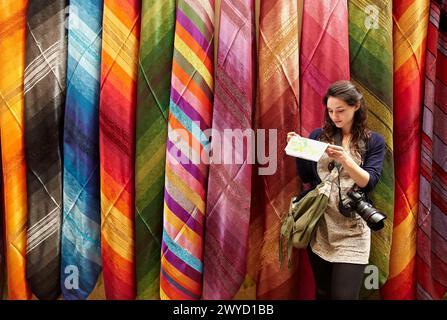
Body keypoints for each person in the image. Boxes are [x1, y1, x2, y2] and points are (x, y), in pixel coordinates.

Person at [287, 80, 386, 300]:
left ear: (356, 106)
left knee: (345, 296)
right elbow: (307, 178)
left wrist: (346, 159)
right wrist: (298, 149)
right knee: (323, 293)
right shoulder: (317, 136)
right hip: (321, 225)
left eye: (340, 110)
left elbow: (368, 182)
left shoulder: (374, 141)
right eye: (330, 110)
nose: (335, 116)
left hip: (353, 229)